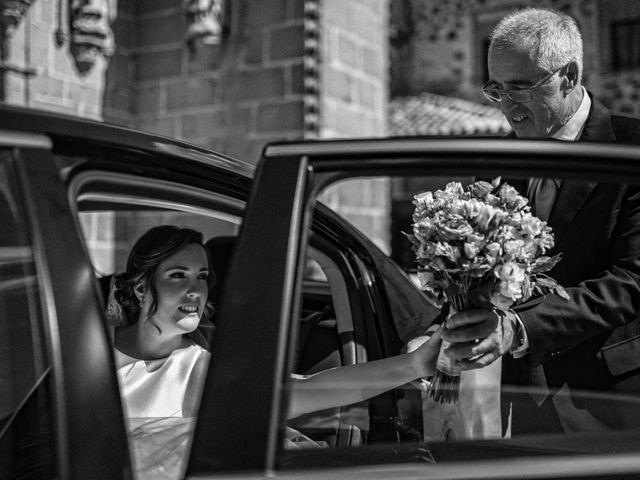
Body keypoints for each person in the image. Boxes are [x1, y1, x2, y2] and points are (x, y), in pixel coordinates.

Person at [442, 7, 640, 434]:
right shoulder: (497, 160)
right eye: (496, 89)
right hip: (527, 401)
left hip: (614, 399)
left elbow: (633, 279)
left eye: (520, 87)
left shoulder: (631, 148)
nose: (506, 106)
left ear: (568, 76)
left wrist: (519, 330)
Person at [106, 225, 443, 475]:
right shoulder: (84, 346)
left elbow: (306, 390)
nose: (195, 290)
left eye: (203, 276)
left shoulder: (198, 369)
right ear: (140, 288)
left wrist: (414, 364)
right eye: (178, 276)